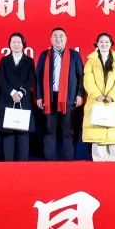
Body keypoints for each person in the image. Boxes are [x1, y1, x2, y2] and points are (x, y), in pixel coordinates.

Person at [35, 27, 85, 161]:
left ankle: (68, 159)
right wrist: (39, 96)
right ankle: (50, 159)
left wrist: (79, 94)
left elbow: (81, 76)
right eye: (55, 36)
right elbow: (38, 77)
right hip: (49, 98)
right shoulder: (45, 55)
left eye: (61, 36)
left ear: (66, 39)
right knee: (49, 129)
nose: (58, 39)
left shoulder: (74, 55)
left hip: (69, 98)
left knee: (68, 130)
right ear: (51, 39)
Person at [82, 33, 115, 162]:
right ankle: (98, 164)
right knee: (97, 134)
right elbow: (88, 80)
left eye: (107, 42)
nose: (104, 44)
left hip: (113, 102)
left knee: (112, 134)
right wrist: (97, 95)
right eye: (101, 42)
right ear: (97, 44)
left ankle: (112, 164)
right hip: (96, 101)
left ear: (111, 44)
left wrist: (112, 95)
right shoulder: (91, 61)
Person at [0, 32, 35, 162]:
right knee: (8, 134)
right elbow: (1, 79)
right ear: (9, 45)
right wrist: (13, 93)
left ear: (23, 45)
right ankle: (8, 166)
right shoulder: (4, 60)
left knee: (23, 135)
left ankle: (23, 166)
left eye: (19, 42)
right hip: (8, 100)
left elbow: (31, 79)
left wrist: (21, 93)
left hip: (24, 101)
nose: (16, 44)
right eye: (13, 42)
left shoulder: (29, 61)